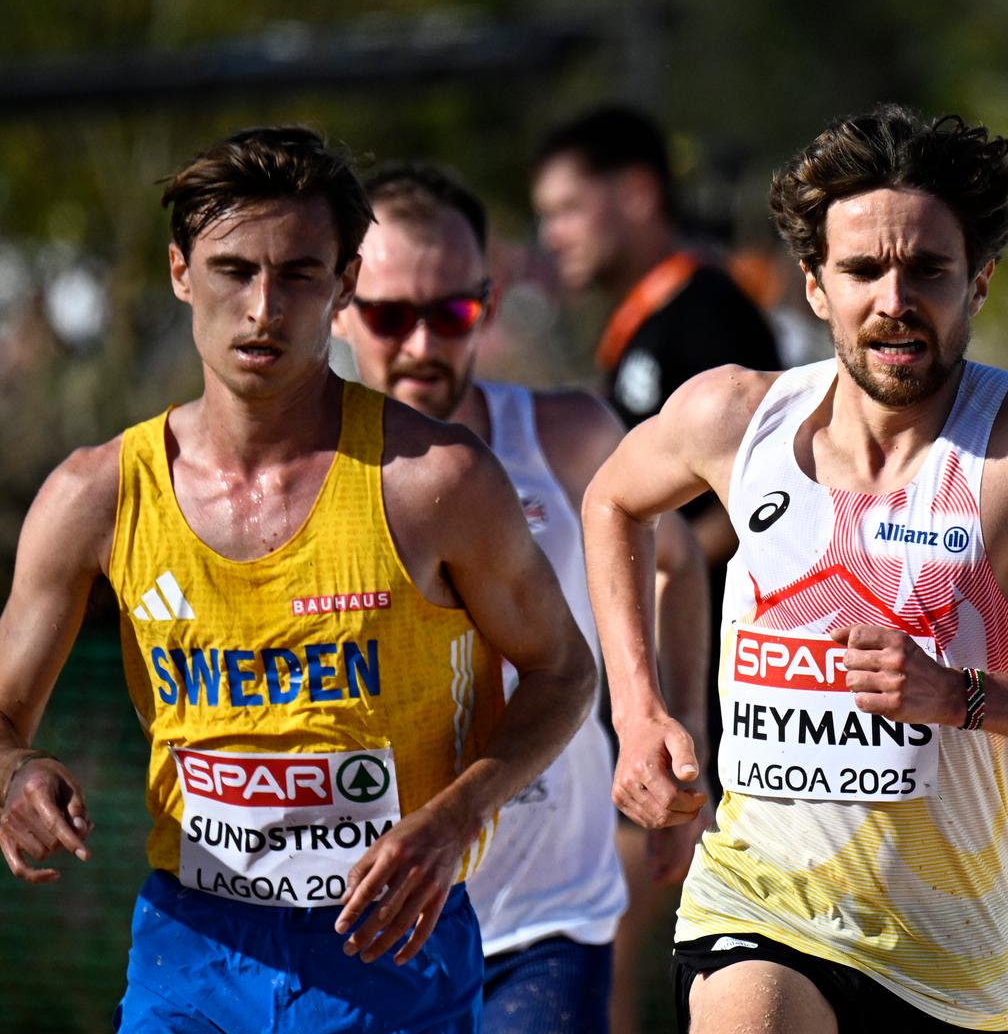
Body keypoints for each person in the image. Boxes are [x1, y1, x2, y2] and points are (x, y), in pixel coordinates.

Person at [581, 105, 1008, 1033]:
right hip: (756, 907)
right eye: (863, 270)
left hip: (949, 962)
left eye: (928, 271)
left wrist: (964, 699)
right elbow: (613, 502)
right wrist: (638, 710)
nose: (894, 301)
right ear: (816, 286)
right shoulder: (733, 420)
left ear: (978, 283)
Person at [0, 127, 597, 1032]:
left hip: (391, 942)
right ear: (178, 272)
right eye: (234, 270)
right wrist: (16, 771)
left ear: (345, 284)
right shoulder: (97, 495)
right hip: (188, 950)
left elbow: (564, 672)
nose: (264, 309)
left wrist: (452, 820)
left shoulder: (436, 482)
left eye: (301, 274)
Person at [334, 160, 712, 1031]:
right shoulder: (303, 475)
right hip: (366, 918)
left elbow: (678, 564)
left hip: (545, 913)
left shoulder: (567, 436)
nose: (424, 345)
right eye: (393, 316)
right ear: (343, 308)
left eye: (452, 312)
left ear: (489, 305)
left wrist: (675, 735)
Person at [531, 104, 783, 1027]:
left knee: (631, 941)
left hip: (716, 692)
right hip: (664, 694)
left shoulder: (708, 314)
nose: (551, 235)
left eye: (565, 208)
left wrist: (656, 557)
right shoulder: (642, 329)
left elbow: (757, 510)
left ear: (636, 194)